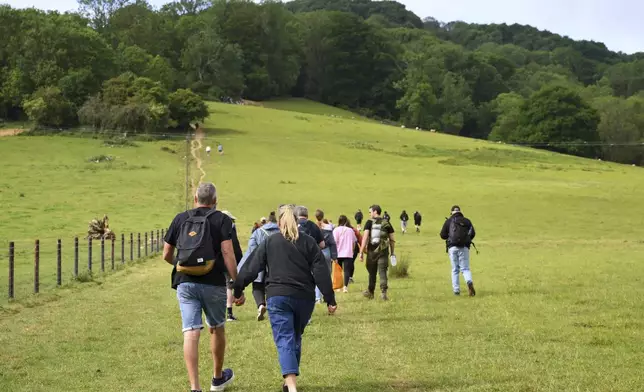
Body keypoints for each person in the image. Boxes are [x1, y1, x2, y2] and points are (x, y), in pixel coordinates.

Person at [233, 204, 337, 392]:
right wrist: (330, 299)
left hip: (278, 296)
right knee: (295, 337)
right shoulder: (308, 242)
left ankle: (292, 387)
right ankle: (288, 384)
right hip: (304, 298)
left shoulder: (270, 242)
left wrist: (238, 290)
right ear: (297, 222)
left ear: (279, 224)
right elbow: (321, 271)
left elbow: (250, 267)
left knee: (285, 339)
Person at [162, 183, 240, 392]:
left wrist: (181, 265)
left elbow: (166, 253)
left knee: (190, 331)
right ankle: (217, 379)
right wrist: (236, 282)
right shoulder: (221, 219)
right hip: (213, 282)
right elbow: (228, 252)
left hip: (185, 282)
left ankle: (195, 388)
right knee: (216, 327)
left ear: (195, 198)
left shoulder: (180, 218)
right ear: (215, 201)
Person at [237, 211, 280, 321]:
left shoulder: (258, 232)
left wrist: (241, 269)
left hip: (259, 264)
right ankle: (274, 308)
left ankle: (261, 305)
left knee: (257, 286)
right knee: (273, 287)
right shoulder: (281, 231)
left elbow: (251, 251)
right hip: (276, 265)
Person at [359, 205, 395, 301]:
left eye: (370, 212)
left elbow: (365, 238)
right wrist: (392, 252)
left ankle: (371, 292)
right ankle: (383, 293)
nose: (369, 214)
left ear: (375, 211)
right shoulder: (387, 223)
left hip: (371, 252)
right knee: (382, 272)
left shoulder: (369, 222)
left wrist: (361, 252)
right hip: (383, 251)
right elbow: (392, 239)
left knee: (372, 272)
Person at [440, 205, 476, 296]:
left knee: (455, 269)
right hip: (464, 247)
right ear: (460, 211)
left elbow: (442, 235)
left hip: (452, 247)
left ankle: (456, 290)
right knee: (465, 268)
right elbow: (473, 233)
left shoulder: (448, 221)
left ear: (452, 212)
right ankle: (469, 282)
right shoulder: (467, 221)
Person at [221, 210, 243, 321]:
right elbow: (236, 248)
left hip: (217, 263)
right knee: (229, 286)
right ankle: (229, 313)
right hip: (228, 262)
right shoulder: (230, 231)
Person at [314, 210, 337, 298]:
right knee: (327, 275)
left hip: (316, 252)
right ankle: (327, 296)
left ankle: (317, 297)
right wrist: (334, 256)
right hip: (326, 251)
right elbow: (332, 243)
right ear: (323, 217)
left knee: (317, 275)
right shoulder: (328, 228)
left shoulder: (313, 227)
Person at [333, 215, 358, 292]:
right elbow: (354, 242)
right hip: (348, 253)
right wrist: (352, 250)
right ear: (346, 221)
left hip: (338, 253)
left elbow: (334, 242)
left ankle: (339, 286)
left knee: (338, 270)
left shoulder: (336, 230)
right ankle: (345, 287)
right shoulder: (350, 230)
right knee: (347, 270)